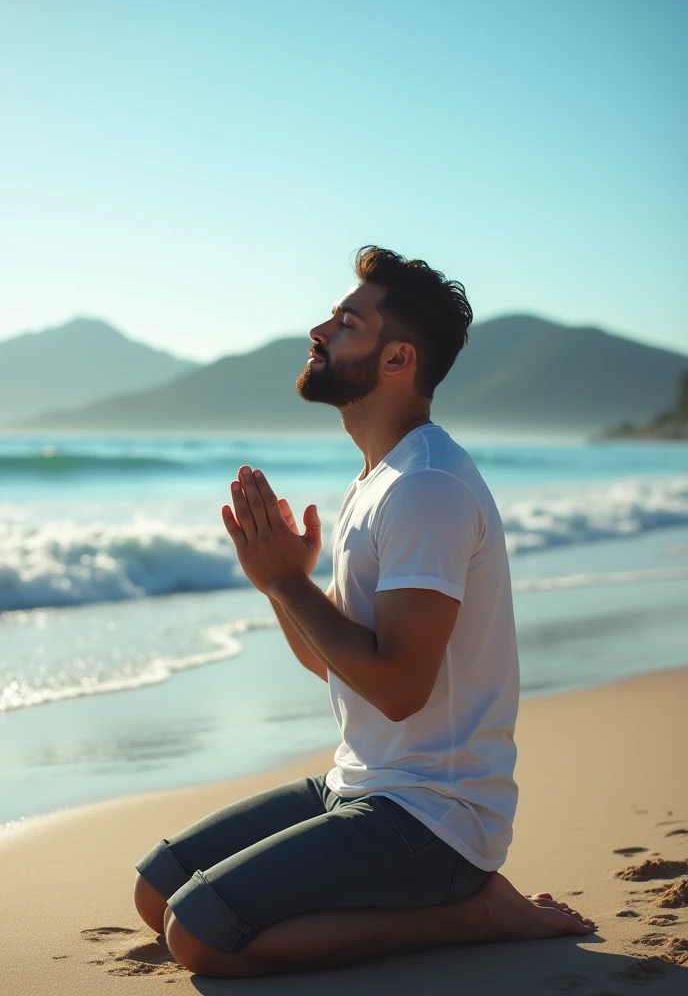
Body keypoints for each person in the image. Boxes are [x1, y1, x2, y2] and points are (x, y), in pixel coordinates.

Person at [133, 245, 595, 978]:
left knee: (197, 935)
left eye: (348, 322)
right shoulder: (377, 480)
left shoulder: (427, 488)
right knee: (156, 889)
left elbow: (399, 688)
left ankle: (471, 911)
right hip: (362, 783)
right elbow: (331, 663)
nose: (320, 329)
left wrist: (291, 585)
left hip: (434, 819)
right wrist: (279, 581)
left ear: (397, 359)